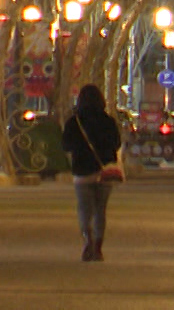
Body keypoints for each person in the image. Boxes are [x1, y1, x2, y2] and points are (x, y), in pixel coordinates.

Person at [60, 83, 122, 262]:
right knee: (100, 210)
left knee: (84, 209)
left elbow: (66, 145)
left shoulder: (74, 122)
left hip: (82, 171)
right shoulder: (108, 121)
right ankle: (98, 246)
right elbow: (116, 143)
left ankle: (87, 239)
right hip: (104, 172)